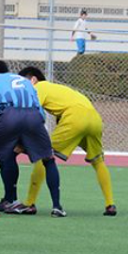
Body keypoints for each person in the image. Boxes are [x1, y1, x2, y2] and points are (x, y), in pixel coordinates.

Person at [16, 67, 117, 216]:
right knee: (98, 162)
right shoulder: (62, 90)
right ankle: (110, 204)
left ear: (33, 79)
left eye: (23, 83)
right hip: (95, 118)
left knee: (44, 155)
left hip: (75, 117)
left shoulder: (39, 86)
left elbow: (34, 112)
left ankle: (29, 203)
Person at [0, 60, 67, 218]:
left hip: (10, 114)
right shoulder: (25, 81)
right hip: (34, 116)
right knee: (48, 160)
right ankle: (57, 207)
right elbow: (39, 110)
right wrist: (33, 135)